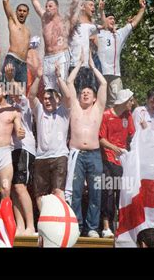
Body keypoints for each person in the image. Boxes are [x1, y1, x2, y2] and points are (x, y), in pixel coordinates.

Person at [61, 50, 107, 237]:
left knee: (96, 191)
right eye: (83, 92)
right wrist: (79, 64)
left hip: (95, 154)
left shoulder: (98, 109)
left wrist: (93, 66)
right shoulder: (75, 108)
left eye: (89, 92)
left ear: (95, 98)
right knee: (76, 191)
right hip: (77, 154)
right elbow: (69, 82)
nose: (85, 93)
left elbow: (103, 83)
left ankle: (93, 228)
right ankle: (77, 225)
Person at [28, 61, 70, 211]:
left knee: (58, 191)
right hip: (41, 157)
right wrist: (38, 77)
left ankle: (59, 220)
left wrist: (59, 78)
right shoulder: (40, 110)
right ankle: (44, 220)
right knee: (40, 194)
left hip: (59, 156)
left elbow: (69, 96)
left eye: (51, 98)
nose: (47, 101)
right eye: (45, 98)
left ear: (57, 99)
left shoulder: (63, 112)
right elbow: (31, 95)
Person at [31, 0, 79, 91]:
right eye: (46, 6)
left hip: (61, 55)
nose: (47, 8)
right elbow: (34, 0)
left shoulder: (64, 19)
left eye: (50, 6)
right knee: (49, 90)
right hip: (47, 57)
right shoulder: (44, 18)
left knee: (62, 86)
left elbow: (76, 1)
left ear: (56, 7)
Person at [4, 63, 36, 235]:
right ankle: (20, 225)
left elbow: (17, 93)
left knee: (20, 187)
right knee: (12, 188)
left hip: (25, 148)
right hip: (10, 150)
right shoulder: (5, 108)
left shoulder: (23, 104)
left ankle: (31, 225)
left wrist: (10, 78)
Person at [99, 89, 135, 238]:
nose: (133, 103)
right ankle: (106, 227)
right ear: (124, 101)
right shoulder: (106, 116)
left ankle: (121, 226)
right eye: (131, 100)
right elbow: (101, 139)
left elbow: (133, 136)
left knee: (122, 193)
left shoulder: (128, 116)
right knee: (108, 193)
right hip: (108, 159)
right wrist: (115, 148)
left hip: (123, 162)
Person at [97, 0, 146, 108]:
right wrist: (101, 10)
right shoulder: (98, 33)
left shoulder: (119, 34)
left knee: (116, 103)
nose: (113, 21)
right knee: (99, 103)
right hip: (100, 74)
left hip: (115, 75)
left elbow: (134, 23)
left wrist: (142, 9)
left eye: (114, 19)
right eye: (110, 18)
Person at [1, 0, 31, 89]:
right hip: (12, 59)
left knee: (21, 94)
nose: (22, 12)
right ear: (16, 12)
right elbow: (5, 1)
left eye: (24, 11)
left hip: (23, 63)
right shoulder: (13, 21)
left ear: (27, 13)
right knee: (8, 90)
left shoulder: (28, 30)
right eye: (19, 10)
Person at [67, 0, 101, 93]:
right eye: (91, 5)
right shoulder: (75, 24)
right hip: (76, 63)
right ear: (83, 7)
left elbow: (103, 27)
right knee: (77, 93)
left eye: (94, 6)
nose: (93, 8)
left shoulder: (90, 24)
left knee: (90, 91)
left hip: (90, 62)